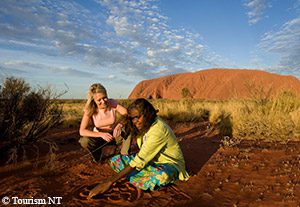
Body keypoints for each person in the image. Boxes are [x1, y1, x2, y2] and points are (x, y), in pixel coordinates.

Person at [88, 98, 189, 198]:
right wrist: (121, 124)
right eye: (133, 118)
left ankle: (134, 175)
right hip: (149, 160)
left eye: (137, 117)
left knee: (162, 176)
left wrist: (109, 182)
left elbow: (140, 160)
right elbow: (128, 121)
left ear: (147, 114)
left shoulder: (158, 130)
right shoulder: (144, 124)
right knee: (116, 160)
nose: (135, 121)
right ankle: (137, 176)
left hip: (168, 163)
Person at [79, 83, 127, 163]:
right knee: (84, 141)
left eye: (105, 98)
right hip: (99, 137)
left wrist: (120, 124)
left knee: (128, 129)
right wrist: (101, 134)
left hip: (114, 134)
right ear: (93, 100)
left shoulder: (112, 103)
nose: (103, 101)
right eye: (99, 100)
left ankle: (124, 156)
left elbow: (127, 114)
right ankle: (97, 158)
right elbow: (82, 131)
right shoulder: (90, 109)